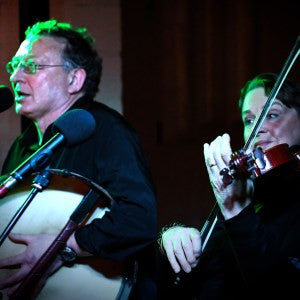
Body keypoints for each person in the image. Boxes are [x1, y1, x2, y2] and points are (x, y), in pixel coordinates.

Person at [0, 20, 157, 299]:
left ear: (75, 79)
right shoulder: (22, 147)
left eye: (32, 66)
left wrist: (62, 248)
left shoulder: (107, 131)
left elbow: (139, 219)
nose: (15, 76)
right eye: (14, 66)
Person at [158, 73, 300, 299]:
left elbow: (280, 286)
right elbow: (210, 273)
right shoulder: (247, 187)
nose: (259, 128)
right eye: (249, 120)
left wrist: (236, 212)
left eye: (272, 114)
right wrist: (173, 238)